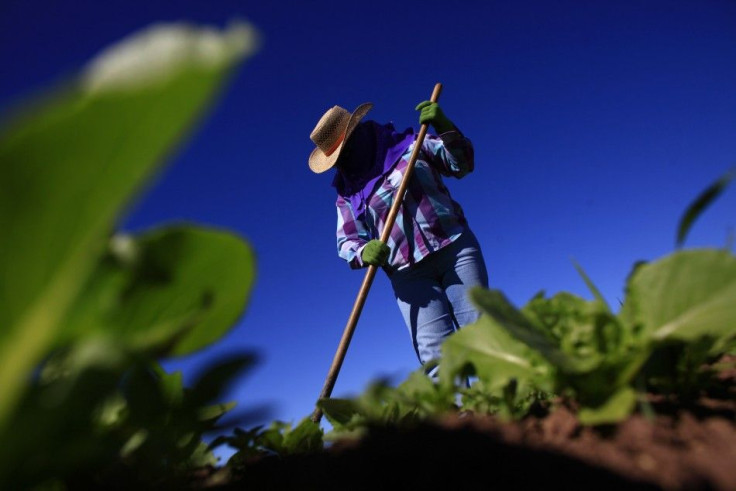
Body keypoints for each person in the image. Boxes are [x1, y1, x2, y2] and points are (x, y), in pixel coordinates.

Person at [308, 99, 489, 379]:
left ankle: (509, 407)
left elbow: (461, 165)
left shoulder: (410, 145)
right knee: (435, 355)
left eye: (344, 151)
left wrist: (444, 126)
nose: (342, 162)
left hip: (454, 247)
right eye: (336, 159)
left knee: (480, 329)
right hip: (409, 276)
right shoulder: (347, 195)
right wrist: (364, 251)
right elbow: (347, 242)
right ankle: (464, 418)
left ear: (358, 134)